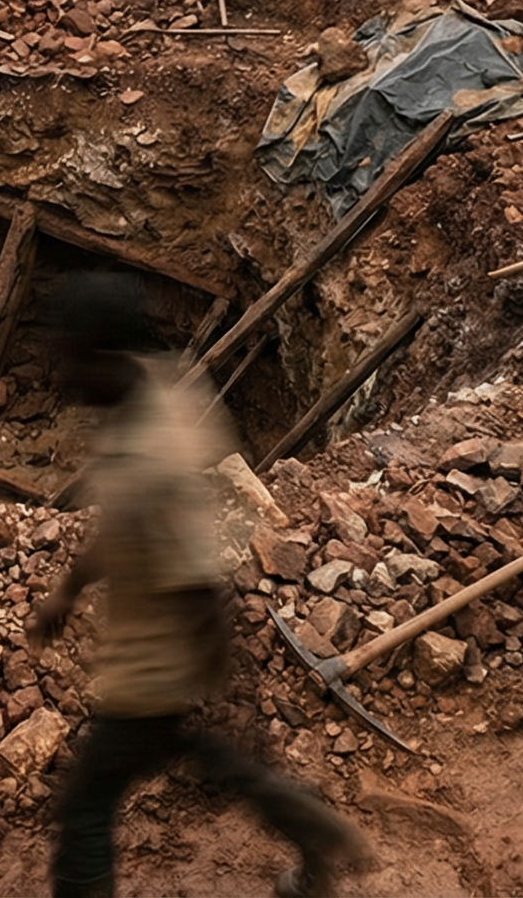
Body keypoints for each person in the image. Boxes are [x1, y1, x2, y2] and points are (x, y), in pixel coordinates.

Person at [30, 275, 369, 898]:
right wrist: (70, 588)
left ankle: (310, 829)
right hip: (163, 661)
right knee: (213, 760)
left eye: (70, 357)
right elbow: (126, 528)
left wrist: (222, 678)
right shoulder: (157, 388)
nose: (61, 375)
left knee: (85, 807)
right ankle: (312, 830)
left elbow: (195, 580)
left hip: (151, 671)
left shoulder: (148, 461)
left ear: (104, 359)